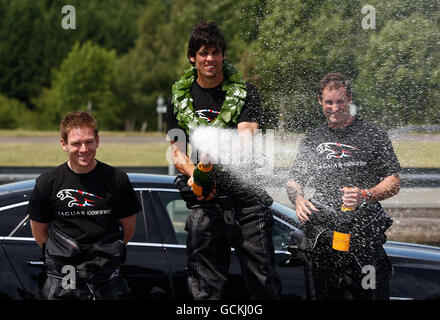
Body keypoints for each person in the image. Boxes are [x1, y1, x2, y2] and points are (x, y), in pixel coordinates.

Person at [166, 20, 281, 300]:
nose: (210, 59)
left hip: (246, 202)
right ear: (193, 57)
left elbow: (246, 137)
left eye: (216, 52)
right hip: (206, 202)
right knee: (204, 287)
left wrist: (216, 156)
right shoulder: (179, 100)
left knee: (263, 282)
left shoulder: (246, 92)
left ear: (223, 56)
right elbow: (177, 152)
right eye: (204, 52)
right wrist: (199, 174)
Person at [286, 73, 401, 300]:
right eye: (329, 102)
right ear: (320, 101)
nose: (335, 107)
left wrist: (366, 194)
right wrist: (298, 199)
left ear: (349, 99)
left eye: (340, 101)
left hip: (363, 239)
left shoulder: (372, 134)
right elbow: (293, 181)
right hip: (324, 242)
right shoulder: (313, 139)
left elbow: (394, 181)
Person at [28, 111, 141, 300]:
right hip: (64, 278)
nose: (84, 149)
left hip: (106, 278)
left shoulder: (117, 179)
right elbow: (40, 234)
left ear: (97, 141)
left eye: (89, 141)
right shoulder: (47, 183)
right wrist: (67, 253)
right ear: (63, 144)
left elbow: (127, 230)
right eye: (76, 143)